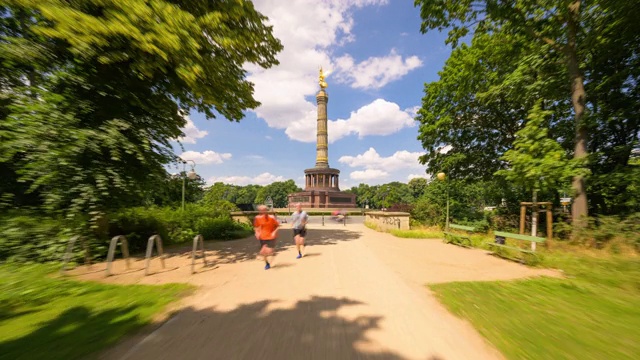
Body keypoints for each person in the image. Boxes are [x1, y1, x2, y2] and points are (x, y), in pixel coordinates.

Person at [253, 205, 279, 270]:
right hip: (263, 237)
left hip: (271, 237)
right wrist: (257, 233)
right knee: (263, 252)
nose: (263, 211)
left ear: (267, 210)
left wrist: (274, 232)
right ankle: (267, 263)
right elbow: (256, 227)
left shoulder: (272, 217)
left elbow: (278, 226)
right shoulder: (257, 218)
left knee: (269, 251)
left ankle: (271, 254)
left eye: (264, 210)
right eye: (261, 210)